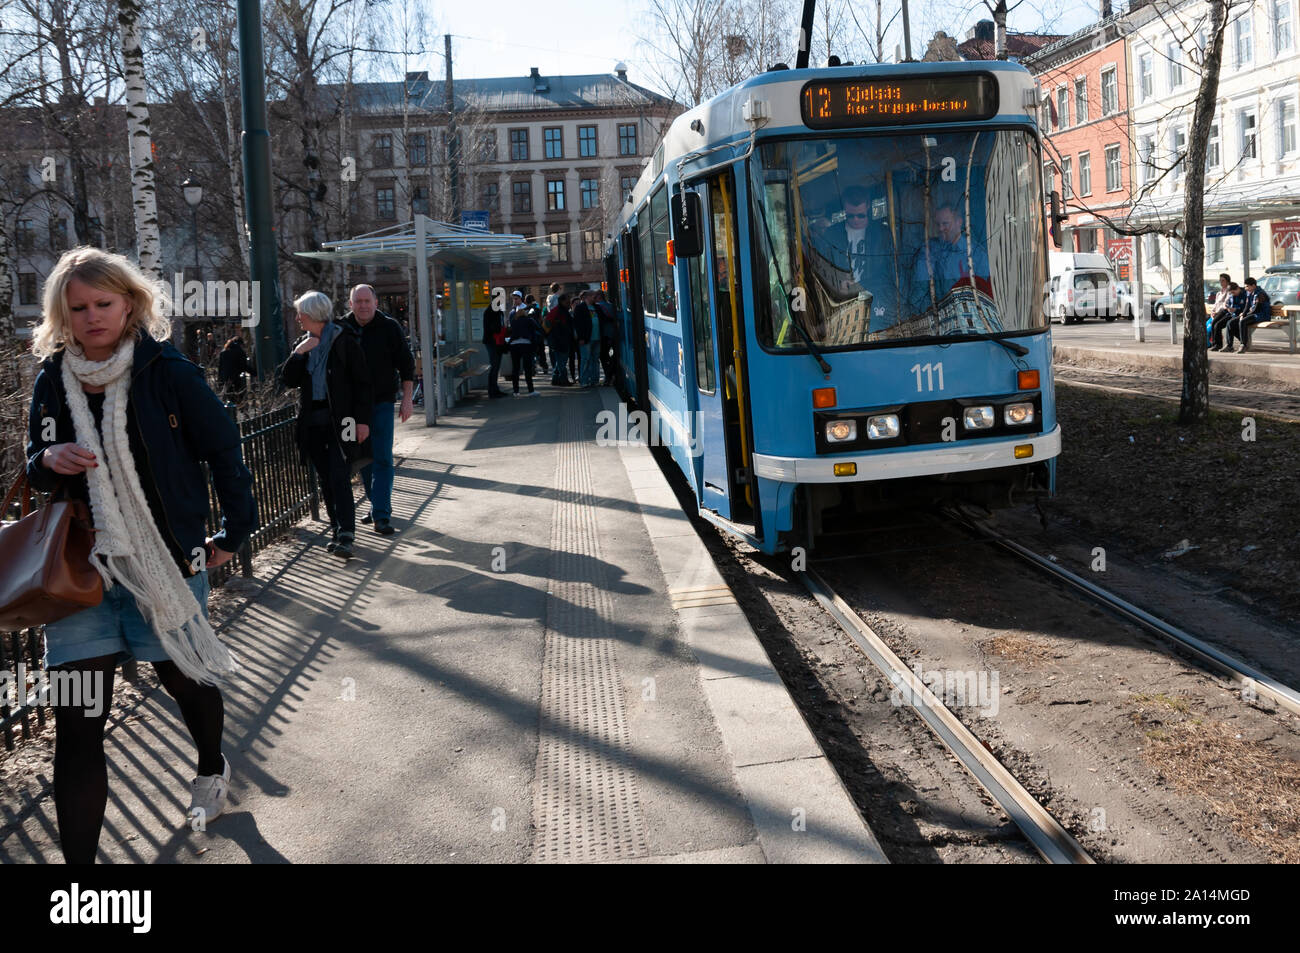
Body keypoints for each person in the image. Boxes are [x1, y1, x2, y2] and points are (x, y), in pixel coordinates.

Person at [25, 247, 257, 863]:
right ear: (62, 314)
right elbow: (35, 458)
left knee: (185, 680)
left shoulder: (168, 371)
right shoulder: (53, 378)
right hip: (82, 574)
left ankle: (211, 765)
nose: (93, 316)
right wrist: (48, 460)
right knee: (78, 725)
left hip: (165, 562)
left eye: (104, 303)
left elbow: (226, 454)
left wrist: (234, 536)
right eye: (79, 308)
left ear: (130, 302)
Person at [281, 291, 372, 559]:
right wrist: (298, 354)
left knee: (339, 475)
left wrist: (362, 422)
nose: (298, 318)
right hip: (313, 422)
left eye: (301, 314)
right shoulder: (304, 343)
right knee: (326, 479)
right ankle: (336, 528)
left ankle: (346, 532)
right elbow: (288, 380)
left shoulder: (344, 341)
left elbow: (363, 385)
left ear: (312, 316)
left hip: (342, 420)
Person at [340, 284, 415, 534]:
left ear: (375, 303)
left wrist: (407, 398)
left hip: (381, 402)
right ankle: (376, 506)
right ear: (350, 304)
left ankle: (382, 515)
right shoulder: (341, 328)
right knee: (363, 459)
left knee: (382, 457)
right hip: (350, 408)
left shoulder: (389, 327)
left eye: (367, 301)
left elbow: (406, 365)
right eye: (357, 301)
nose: (362, 305)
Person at [912, 203, 990, 310]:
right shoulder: (928, 252)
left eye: (945, 223)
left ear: (959, 222)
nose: (940, 228)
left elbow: (985, 293)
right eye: (937, 224)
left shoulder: (976, 254)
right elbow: (920, 293)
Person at [1226, 277, 1271, 353]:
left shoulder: (1260, 294)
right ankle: (1229, 346)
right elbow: (1247, 306)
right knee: (1230, 323)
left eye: (1247, 286)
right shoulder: (1249, 293)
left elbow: (1257, 309)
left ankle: (1243, 345)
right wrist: (1243, 314)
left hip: (1261, 315)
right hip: (1253, 314)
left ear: (1253, 285)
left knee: (1243, 322)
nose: (1245, 288)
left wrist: (1245, 315)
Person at [506, 302, 539, 396]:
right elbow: (535, 330)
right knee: (527, 368)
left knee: (515, 369)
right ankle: (531, 390)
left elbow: (510, 332)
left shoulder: (513, 321)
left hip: (514, 345)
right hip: (526, 345)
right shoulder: (529, 320)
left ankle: (516, 391)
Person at [572, 289, 600, 387]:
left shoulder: (596, 307)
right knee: (586, 359)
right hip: (586, 338)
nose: (595, 298)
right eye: (594, 297)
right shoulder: (580, 308)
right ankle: (583, 381)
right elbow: (577, 324)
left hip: (597, 338)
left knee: (595, 360)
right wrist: (581, 338)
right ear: (588, 297)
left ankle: (594, 380)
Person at [217, 334, 257, 401]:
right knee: (237, 397)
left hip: (225, 378)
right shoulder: (239, 351)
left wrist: (219, 380)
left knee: (227, 397)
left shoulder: (223, 352)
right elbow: (244, 366)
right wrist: (255, 373)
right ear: (240, 344)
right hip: (235, 378)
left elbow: (220, 367)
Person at [482, 296, 508, 398]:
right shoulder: (491, 312)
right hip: (492, 342)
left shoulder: (498, 312)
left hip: (497, 342)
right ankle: (492, 390)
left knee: (496, 366)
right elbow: (494, 328)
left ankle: (495, 389)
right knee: (494, 365)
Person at [546, 293, 574, 386]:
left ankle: (555, 379)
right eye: (567, 301)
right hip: (559, 341)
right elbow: (547, 325)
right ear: (562, 301)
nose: (569, 303)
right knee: (562, 362)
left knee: (560, 361)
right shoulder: (557, 311)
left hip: (561, 340)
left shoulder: (562, 311)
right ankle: (563, 380)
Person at [594, 289, 617, 385]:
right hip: (612, 333)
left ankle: (608, 376)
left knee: (603, 356)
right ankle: (610, 375)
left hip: (604, 334)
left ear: (599, 297)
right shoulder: (610, 305)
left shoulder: (599, 307)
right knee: (609, 355)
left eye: (595, 297)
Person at [1208, 273, 1234, 351]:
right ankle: (1214, 344)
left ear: (1227, 282)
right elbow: (1216, 304)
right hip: (1217, 313)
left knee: (1217, 325)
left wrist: (1217, 312)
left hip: (1225, 312)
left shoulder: (1229, 292)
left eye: (1223, 281)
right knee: (1213, 323)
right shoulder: (1219, 293)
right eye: (1220, 281)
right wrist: (1213, 311)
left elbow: (1226, 304)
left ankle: (1218, 345)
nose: (1221, 283)